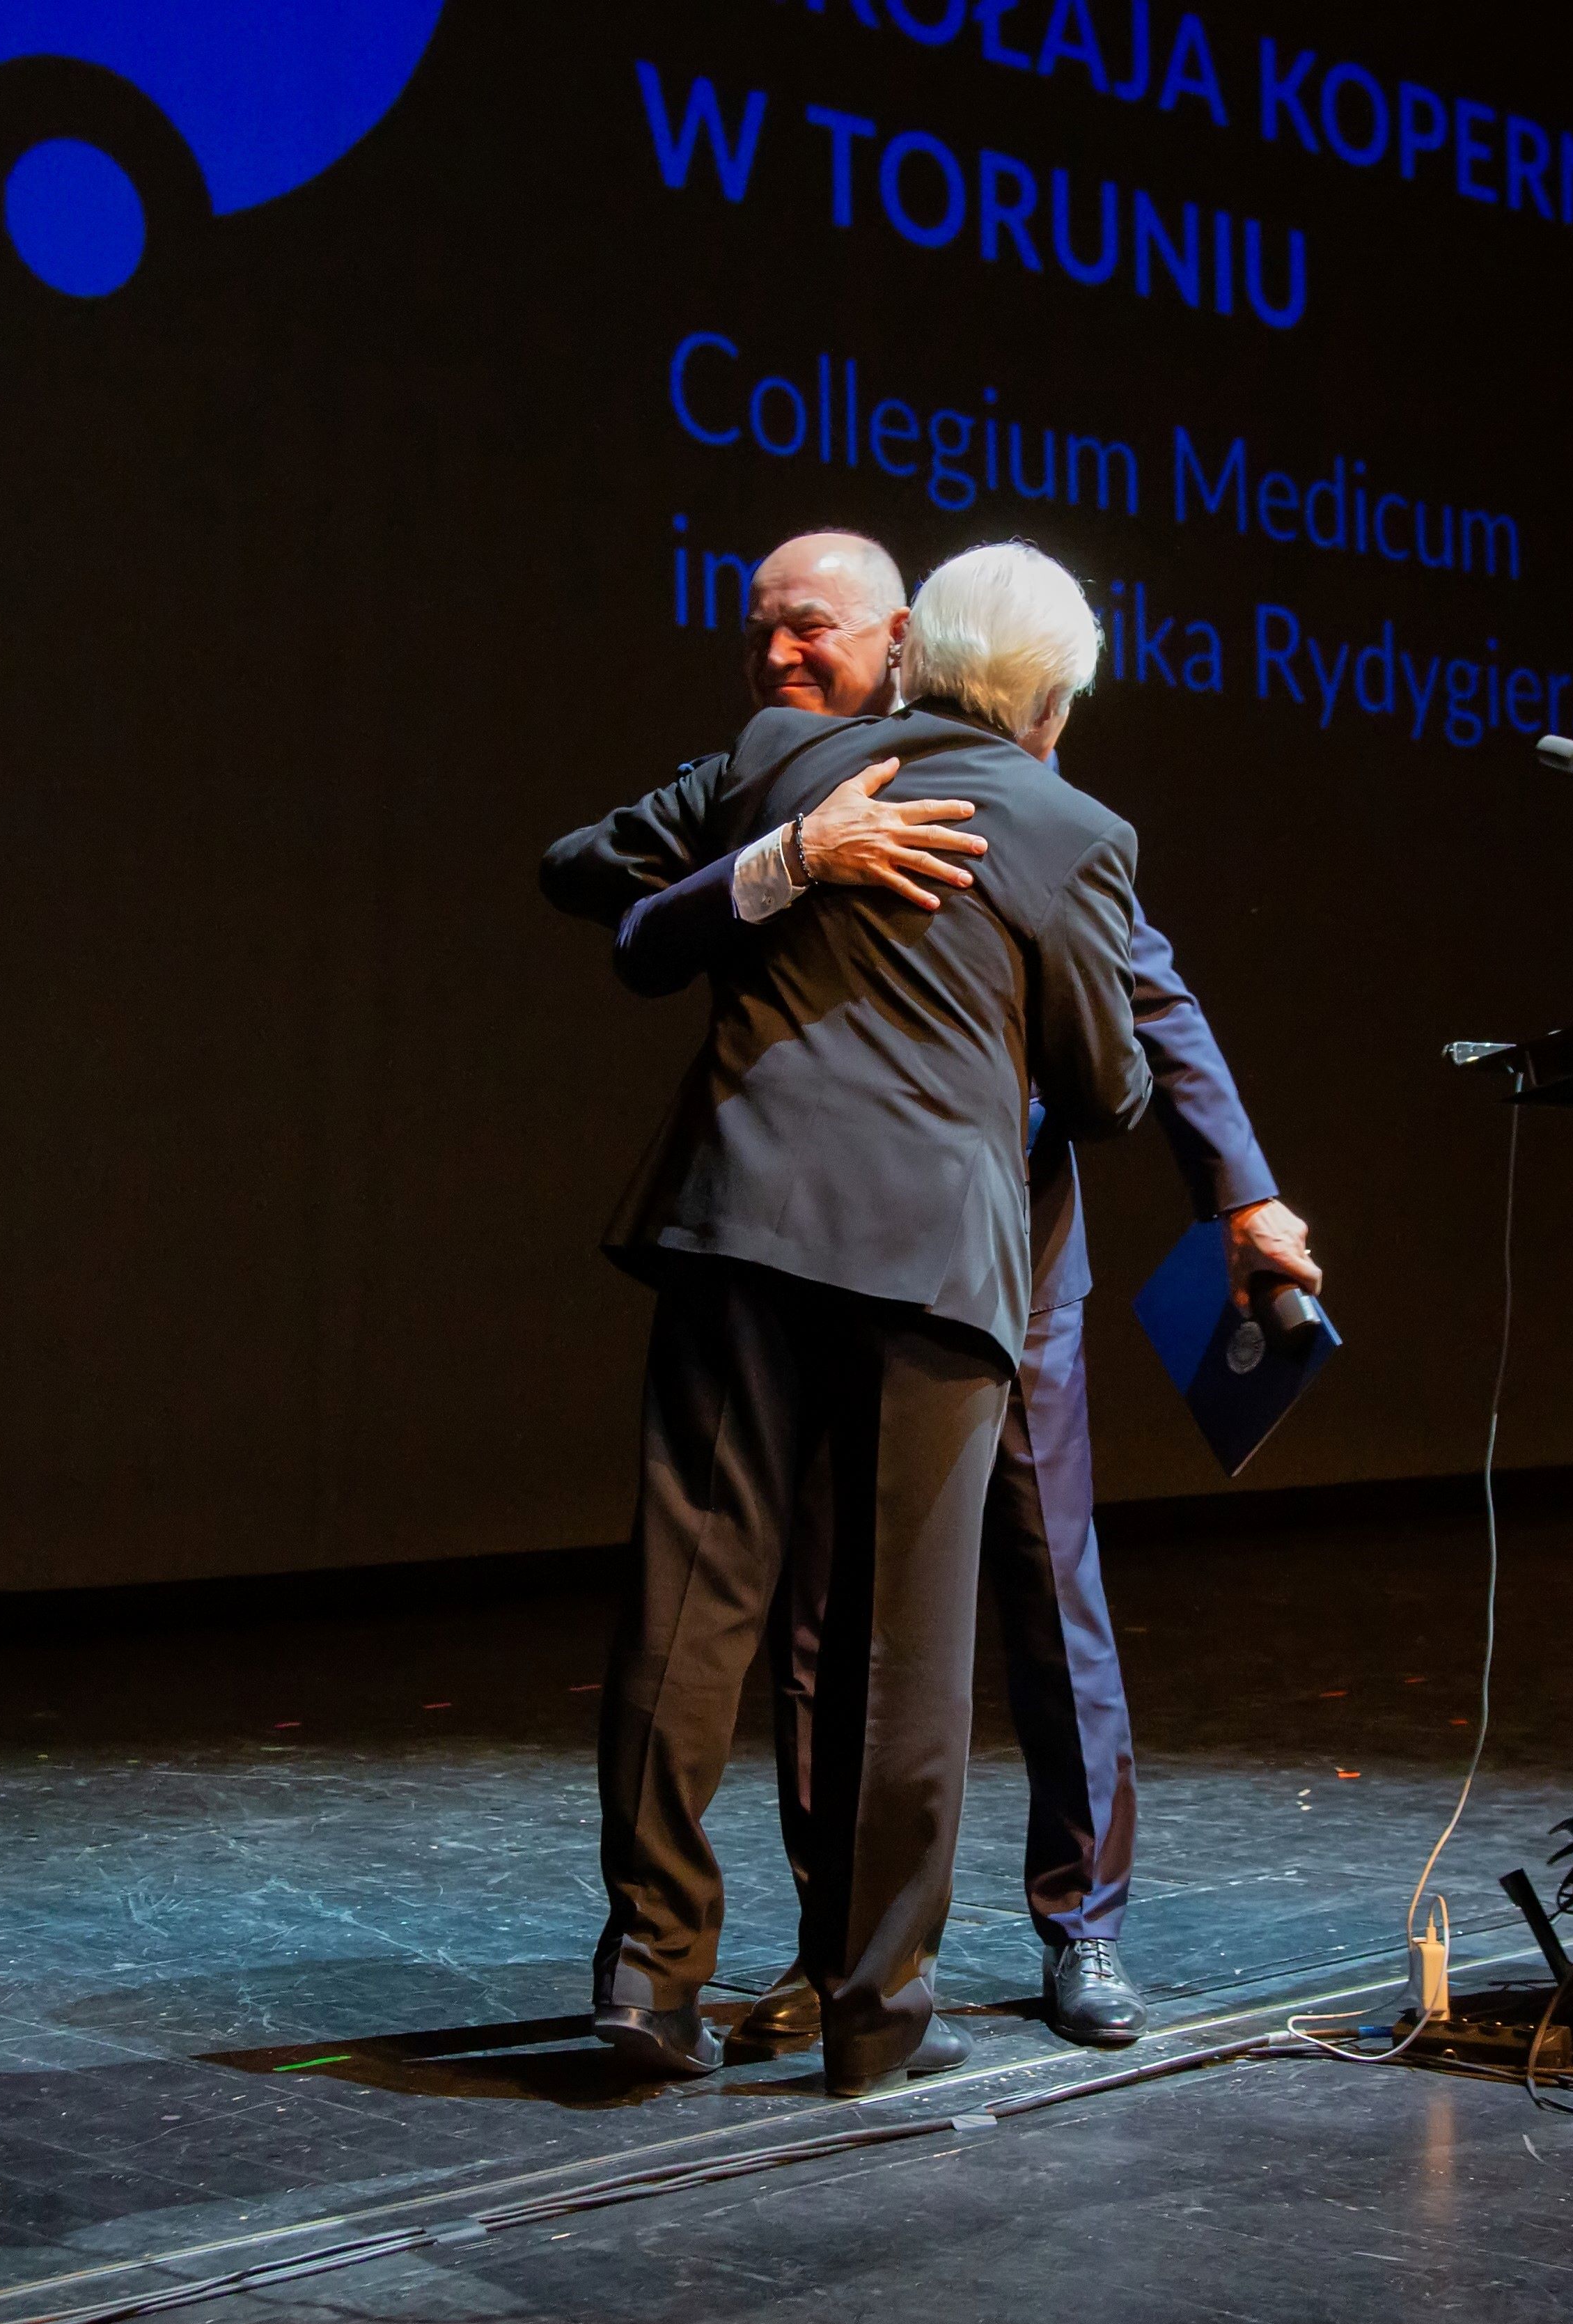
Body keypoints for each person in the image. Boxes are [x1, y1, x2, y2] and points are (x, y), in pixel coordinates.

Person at [543, 532, 1322, 2050]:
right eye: (766, 632)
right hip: (872, 1238)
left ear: (904, 640)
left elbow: (1153, 994)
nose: (782, 660)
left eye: (811, 632)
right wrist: (789, 858)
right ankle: (853, 1967)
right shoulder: (791, 771)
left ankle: (1072, 1929)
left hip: (991, 1250)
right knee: (846, 1621)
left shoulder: (1043, 814)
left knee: (1034, 1584)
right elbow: (605, 887)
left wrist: (1241, 1190)